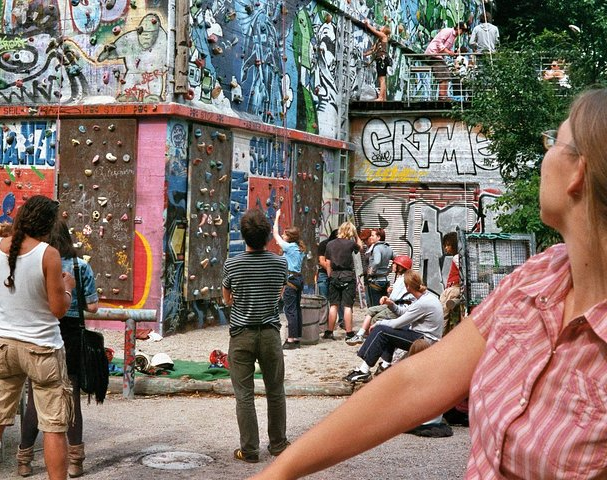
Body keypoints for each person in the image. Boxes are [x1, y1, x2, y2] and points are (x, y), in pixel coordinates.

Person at [249, 87, 607, 480]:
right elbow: (416, 382)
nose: (544, 155)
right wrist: (277, 474)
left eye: (554, 141)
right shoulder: (538, 279)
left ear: (578, 172)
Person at [0, 195, 76, 480]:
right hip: (42, 348)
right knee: (54, 427)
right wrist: (66, 288)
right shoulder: (48, 254)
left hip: (4, 345)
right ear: (49, 225)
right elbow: (58, 310)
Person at [18, 221, 99, 477]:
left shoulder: (34, 263)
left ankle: (24, 459)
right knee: (71, 397)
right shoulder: (79, 266)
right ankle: (75, 460)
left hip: (40, 332)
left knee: (34, 399)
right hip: (71, 334)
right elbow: (94, 307)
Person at [222, 208, 290, 464]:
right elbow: (280, 294)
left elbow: (227, 299)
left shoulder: (233, 263)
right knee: (275, 391)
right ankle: (278, 444)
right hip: (271, 334)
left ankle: (249, 450)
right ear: (267, 237)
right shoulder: (280, 262)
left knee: (244, 395)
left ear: (244, 236)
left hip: (241, 335)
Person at [343, 270, 442, 383]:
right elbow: (404, 312)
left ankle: (364, 371)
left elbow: (397, 323)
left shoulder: (423, 303)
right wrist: (391, 304)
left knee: (381, 330)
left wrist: (379, 323)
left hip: (425, 341)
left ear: (408, 287)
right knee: (389, 330)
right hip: (425, 336)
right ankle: (385, 366)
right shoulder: (426, 297)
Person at [346, 255, 414, 346]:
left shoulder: (403, 279)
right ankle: (360, 335)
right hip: (394, 304)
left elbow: (394, 298)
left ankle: (372, 341)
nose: (392, 265)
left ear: (400, 267)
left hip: (398, 307)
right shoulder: (401, 278)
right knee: (371, 310)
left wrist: (389, 295)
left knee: (376, 318)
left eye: (395, 264)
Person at [323, 221, 363, 342]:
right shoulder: (351, 244)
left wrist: (330, 276)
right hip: (347, 276)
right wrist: (356, 236)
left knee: (333, 305)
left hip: (334, 276)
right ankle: (349, 333)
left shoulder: (330, 244)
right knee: (347, 306)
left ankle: (329, 331)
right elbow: (360, 248)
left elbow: (328, 263)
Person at [273, 209, 306, 349]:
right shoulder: (299, 248)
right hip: (299, 279)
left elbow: (274, 234)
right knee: (296, 309)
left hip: (291, 280)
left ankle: (291, 339)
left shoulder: (289, 247)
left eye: (285, 234)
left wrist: (277, 217)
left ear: (289, 237)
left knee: (290, 310)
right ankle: (297, 337)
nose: (282, 235)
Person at [424, 21, 468, 100]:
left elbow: (446, 48)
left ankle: (444, 95)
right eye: (462, 30)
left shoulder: (454, 38)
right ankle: (442, 96)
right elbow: (439, 43)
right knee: (442, 73)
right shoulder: (447, 31)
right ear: (458, 28)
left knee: (447, 74)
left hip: (439, 56)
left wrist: (451, 53)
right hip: (433, 53)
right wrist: (448, 52)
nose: (462, 33)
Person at [363, 19, 392, 101]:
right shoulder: (379, 40)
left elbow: (375, 31)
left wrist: (368, 25)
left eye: (382, 27)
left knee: (382, 79)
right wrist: (365, 54)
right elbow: (373, 51)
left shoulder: (383, 36)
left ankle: (381, 97)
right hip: (380, 59)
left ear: (384, 30)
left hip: (382, 59)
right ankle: (384, 98)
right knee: (381, 79)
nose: (380, 27)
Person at [365, 228, 393, 308]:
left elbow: (377, 261)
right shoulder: (388, 248)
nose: (370, 237)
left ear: (379, 237)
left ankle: (376, 320)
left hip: (375, 281)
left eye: (372, 235)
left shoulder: (376, 248)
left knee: (374, 306)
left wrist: (371, 271)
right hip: (385, 280)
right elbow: (396, 259)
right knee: (383, 305)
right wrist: (389, 270)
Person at [439, 231, 461, 332]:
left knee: (443, 314)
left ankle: (440, 336)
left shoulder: (457, 258)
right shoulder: (458, 257)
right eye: (445, 245)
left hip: (454, 289)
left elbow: (464, 273)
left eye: (448, 245)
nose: (446, 248)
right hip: (452, 289)